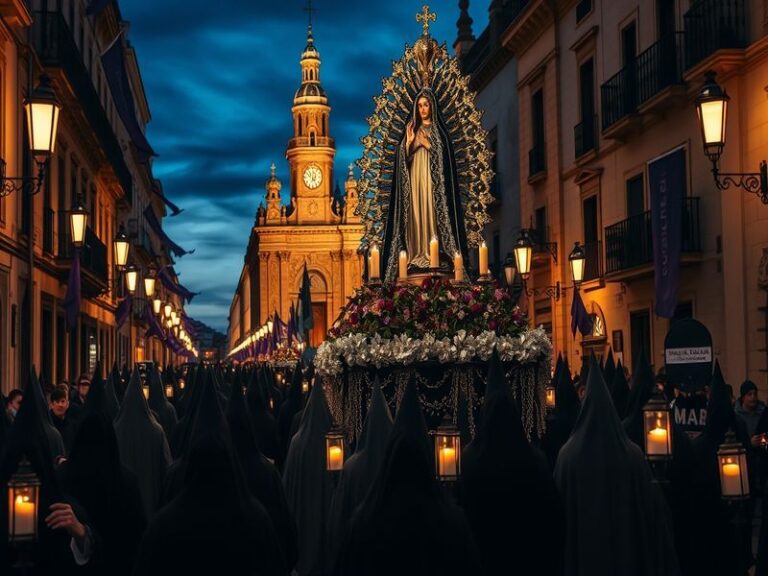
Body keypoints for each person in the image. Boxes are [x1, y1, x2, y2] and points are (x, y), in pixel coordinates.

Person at [381, 88, 467, 280]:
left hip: (432, 183)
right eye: (419, 106)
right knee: (415, 213)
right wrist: (410, 143)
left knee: (431, 211)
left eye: (425, 105)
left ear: (432, 107)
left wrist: (426, 145)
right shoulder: (413, 131)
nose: (422, 109)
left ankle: (433, 254)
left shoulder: (438, 132)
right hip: (415, 181)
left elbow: (445, 161)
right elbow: (403, 162)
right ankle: (417, 254)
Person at [49, 384, 77, 454]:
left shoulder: (73, 426)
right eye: (57, 402)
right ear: (51, 405)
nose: (60, 405)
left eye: (62, 401)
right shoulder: (47, 424)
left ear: (67, 404)